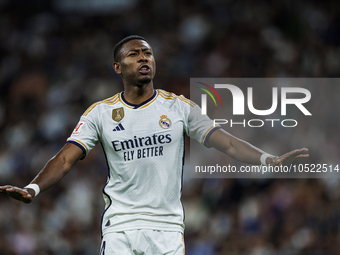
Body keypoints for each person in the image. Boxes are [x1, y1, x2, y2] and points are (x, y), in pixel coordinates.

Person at [0, 35, 308, 255]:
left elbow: (226, 142)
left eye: (148, 53)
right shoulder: (100, 113)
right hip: (121, 226)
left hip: (167, 228)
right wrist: (33, 189)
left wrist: (268, 159)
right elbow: (66, 159)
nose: (144, 58)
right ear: (117, 67)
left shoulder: (179, 108)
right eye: (134, 54)